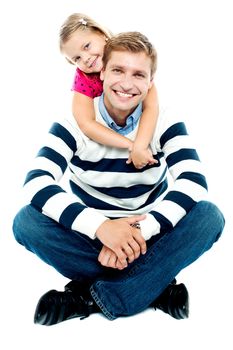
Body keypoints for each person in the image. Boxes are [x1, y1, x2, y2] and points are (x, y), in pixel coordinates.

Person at [12, 31, 225, 326]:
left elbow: (193, 181)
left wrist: (140, 231)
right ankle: (152, 285)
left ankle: (89, 298)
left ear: (151, 82)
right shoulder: (73, 122)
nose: (126, 84)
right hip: (92, 241)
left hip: (149, 237)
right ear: (102, 72)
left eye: (139, 74)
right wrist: (102, 228)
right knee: (26, 222)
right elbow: (36, 181)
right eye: (117, 70)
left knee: (208, 217)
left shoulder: (165, 120)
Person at [59, 13, 159, 169]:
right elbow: (86, 124)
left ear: (101, 34)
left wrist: (141, 144)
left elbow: (151, 107)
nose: (85, 58)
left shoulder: (129, 55)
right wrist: (131, 145)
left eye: (87, 46)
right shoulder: (83, 78)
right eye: (76, 58)